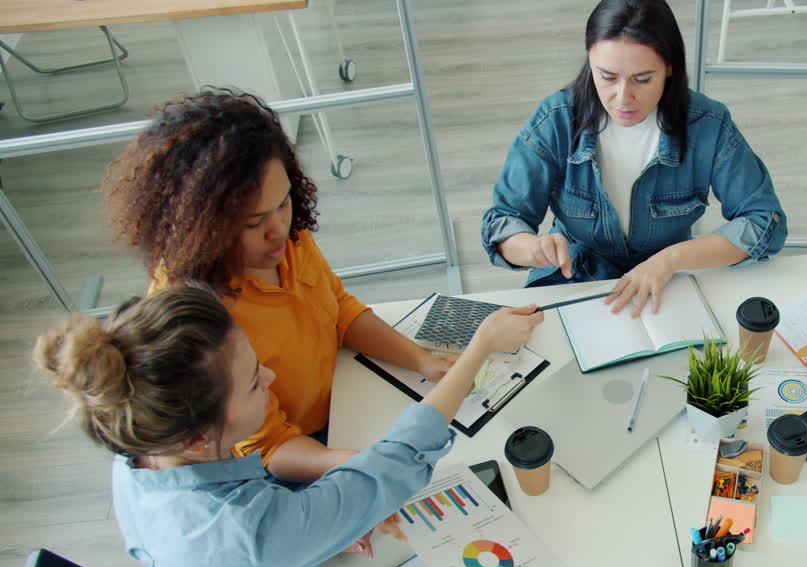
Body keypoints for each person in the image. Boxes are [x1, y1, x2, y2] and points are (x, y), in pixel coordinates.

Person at [34, 285, 540, 567]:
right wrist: (479, 350)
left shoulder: (139, 457)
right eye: (255, 381)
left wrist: (318, 532)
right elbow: (392, 463)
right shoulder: (244, 537)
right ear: (194, 437)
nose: (271, 380)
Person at [103, 90, 528, 491]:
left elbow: (338, 309)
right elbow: (269, 448)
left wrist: (419, 359)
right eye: (253, 223)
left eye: (284, 203)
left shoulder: (287, 241)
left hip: (345, 399)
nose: (278, 232)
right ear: (200, 226)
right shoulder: (196, 317)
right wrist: (366, 462)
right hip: (295, 459)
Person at [481, 0, 787, 317]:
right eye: (607, 77)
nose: (623, 98)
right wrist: (531, 248)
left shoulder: (708, 124)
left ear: (670, 67)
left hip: (669, 282)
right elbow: (502, 222)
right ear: (589, 60)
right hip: (574, 278)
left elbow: (765, 223)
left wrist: (671, 259)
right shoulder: (555, 120)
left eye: (642, 79)